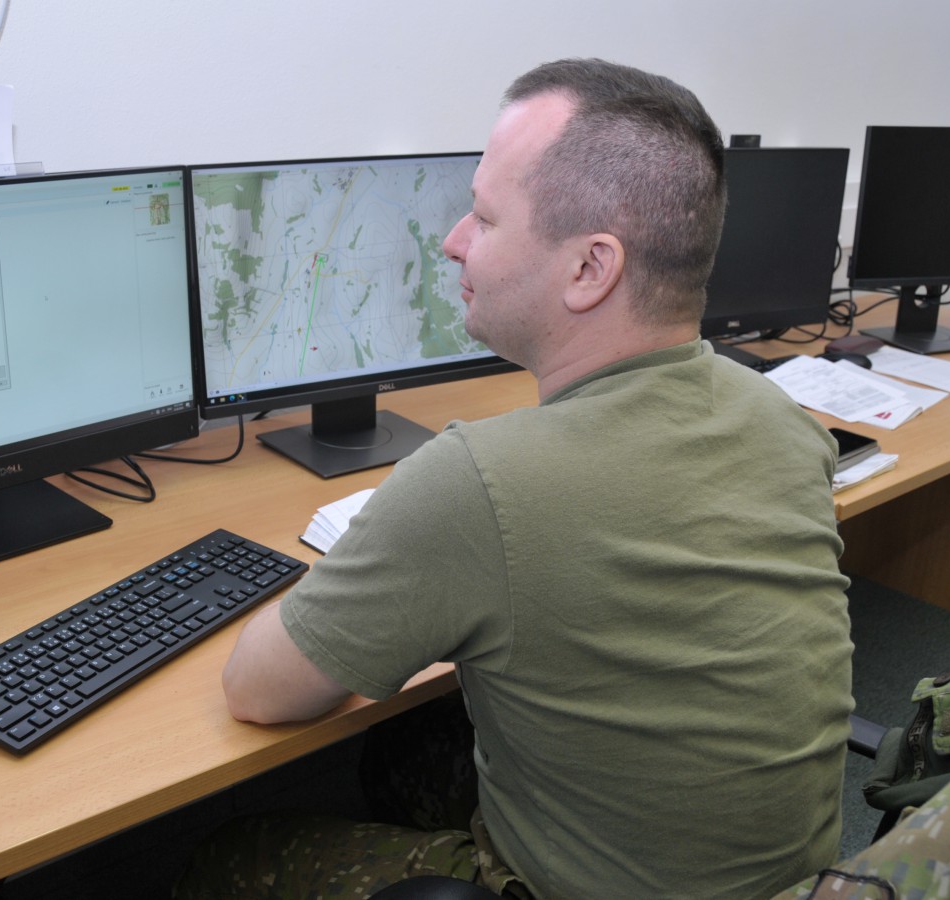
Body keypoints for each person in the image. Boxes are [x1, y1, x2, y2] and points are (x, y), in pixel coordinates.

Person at [175, 57, 854, 899]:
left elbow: (258, 692)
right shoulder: (781, 420)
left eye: (485, 218)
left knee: (229, 853)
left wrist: (375, 561)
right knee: (405, 750)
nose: (453, 240)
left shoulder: (479, 482)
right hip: (795, 879)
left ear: (589, 269)